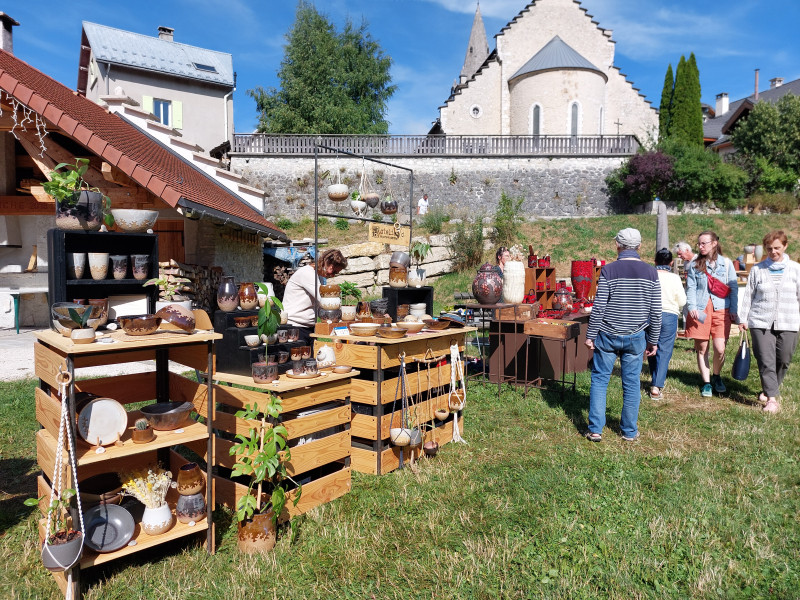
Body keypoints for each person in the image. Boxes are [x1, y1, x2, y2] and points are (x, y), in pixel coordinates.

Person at [585, 228, 661, 442]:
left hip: (607, 334)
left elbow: (599, 307)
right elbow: (655, 311)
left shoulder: (609, 270)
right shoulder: (651, 272)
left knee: (600, 380)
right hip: (636, 336)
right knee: (631, 382)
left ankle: (595, 430)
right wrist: (653, 340)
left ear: (617, 245)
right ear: (640, 246)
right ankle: (628, 431)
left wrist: (590, 335)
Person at [738, 230, 800, 413]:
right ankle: (772, 399)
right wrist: (743, 318)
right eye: (769, 248)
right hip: (760, 321)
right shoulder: (758, 269)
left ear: (785, 246)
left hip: (789, 321)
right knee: (766, 360)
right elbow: (748, 296)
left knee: (785, 359)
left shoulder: (796, 269)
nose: (773, 252)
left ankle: (769, 387)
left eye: (777, 248)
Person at [685, 230, 738, 398]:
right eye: (699, 244)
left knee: (720, 349)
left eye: (704, 243)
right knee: (702, 349)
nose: (700, 247)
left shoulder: (727, 264)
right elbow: (691, 286)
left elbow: (734, 288)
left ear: (714, 243)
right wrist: (692, 306)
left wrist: (734, 309)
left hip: (722, 309)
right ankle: (707, 382)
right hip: (700, 310)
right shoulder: (695, 263)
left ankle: (717, 375)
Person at [283, 249, 348, 342]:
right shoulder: (308, 274)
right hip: (295, 326)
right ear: (326, 262)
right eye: (333, 271)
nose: (333, 275)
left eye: (335, 273)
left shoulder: (318, 276)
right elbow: (325, 301)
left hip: (307, 325)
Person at [647, 248, 687, 400]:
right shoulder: (675, 278)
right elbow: (683, 301)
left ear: (655, 261)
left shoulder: (650, 275)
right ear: (671, 263)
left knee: (650, 346)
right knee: (664, 351)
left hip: (650, 314)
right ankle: (656, 386)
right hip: (669, 315)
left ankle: (653, 376)